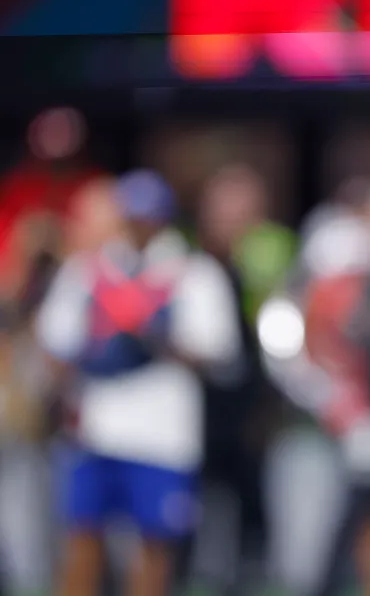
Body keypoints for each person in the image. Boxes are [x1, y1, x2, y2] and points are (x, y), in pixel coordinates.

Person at [36, 170, 241, 596]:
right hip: (95, 427)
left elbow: (220, 354)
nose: (140, 226)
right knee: (82, 537)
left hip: (162, 435)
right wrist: (99, 343)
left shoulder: (190, 272)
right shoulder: (88, 271)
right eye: (133, 216)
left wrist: (152, 330)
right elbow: (54, 345)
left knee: (154, 545)